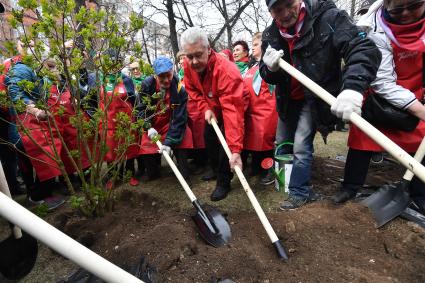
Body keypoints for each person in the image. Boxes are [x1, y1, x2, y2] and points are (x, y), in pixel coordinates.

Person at [260, 0, 381, 209]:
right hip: (288, 99)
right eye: (279, 9)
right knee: (281, 142)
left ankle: (300, 191)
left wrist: (353, 87)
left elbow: (362, 48)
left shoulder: (329, 18)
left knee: (300, 144)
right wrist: (269, 70)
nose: (287, 13)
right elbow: (266, 73)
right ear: (270, 12)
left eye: (290, 4)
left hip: (315, 98)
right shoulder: (270, 35)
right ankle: (284, 180)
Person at [332, 0, 425, 212]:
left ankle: (419, 194)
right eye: (398, 9)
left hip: (415, 93)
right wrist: (420, 110)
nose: (407, 14)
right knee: (363, 141)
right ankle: (350, 187)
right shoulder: (373, 28)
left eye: (414, 6)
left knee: (421, 142)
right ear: (386, 5)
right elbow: (382, 82)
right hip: (378, 95)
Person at [181, 27, 245, 201]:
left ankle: (224, 182)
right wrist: (205, 108)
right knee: (209, 137)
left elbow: (233, 112)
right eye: (189, 56)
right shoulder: (188, 65)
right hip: (212, 107)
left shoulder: (227, 71)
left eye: (198, 55)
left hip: (233, 105)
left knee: (226, 144)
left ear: (209, 50)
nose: (193, 61)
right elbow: (192, 89)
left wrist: (235, 150)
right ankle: (216, 170)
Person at [137, 56, 193, 182]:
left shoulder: (180, 91)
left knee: (185, 135)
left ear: (173, 72)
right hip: (153, 125)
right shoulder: (146, 86)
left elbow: (179, 118)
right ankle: (153, 172)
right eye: (162, 76)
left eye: (169, 75)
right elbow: (140, 110)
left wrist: (168, 142)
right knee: (145, 144)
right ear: (155, 76)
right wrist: (148, 127)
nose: (167, 80)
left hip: (171, 123)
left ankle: (184, 172)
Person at [243, 32, 278, 185]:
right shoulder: (251, 67)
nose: (253, 47)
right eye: (252, 44)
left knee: (265, 140)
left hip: (266, 110)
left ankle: (268, 169)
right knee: (253, 140)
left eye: (256, 44)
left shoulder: (270, 65)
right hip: (251, 110)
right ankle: (257, 166)